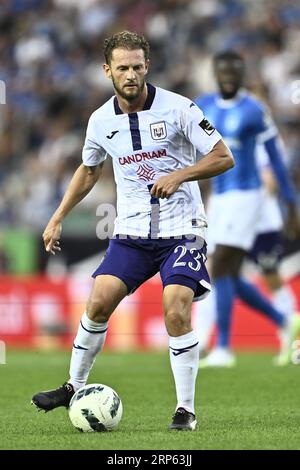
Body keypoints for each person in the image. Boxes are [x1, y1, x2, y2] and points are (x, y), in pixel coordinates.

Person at [31, 31, 234, 430]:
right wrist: (56, 217)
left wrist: (181, 175)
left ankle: (186, 410)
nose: (130, 75)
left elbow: (223, 156)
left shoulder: (180, 109)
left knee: (175, 308)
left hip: (182, 228)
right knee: (98, 302)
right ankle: (73, 385)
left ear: (147, 67)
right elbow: (89, 170)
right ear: (107, 70)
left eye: (137, 67)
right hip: (132, 230)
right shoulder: (100, 120)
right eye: (122, 67)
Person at [193, 51, 299, 368]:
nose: (229, 75)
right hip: (220, 198)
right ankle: (283, 320)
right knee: (223, 273)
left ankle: (223, 348)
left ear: (243, 74)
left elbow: (277, 161)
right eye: (223, 70)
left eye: (235, 70)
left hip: (248, 194)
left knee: (223, 265)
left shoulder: (254, 110)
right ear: (215, 72)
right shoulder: (203, 106)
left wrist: (291, 204)